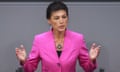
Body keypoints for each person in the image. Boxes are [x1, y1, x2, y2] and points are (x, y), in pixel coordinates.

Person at [15, 1, 101, 72]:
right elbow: (30, 69)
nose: (61, 21)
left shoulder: (78, 39)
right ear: (49, 20)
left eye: (64, 17)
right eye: (56, 18)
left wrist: (91, 59)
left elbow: (88, 68)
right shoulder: (39, 40)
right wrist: (24, 61)